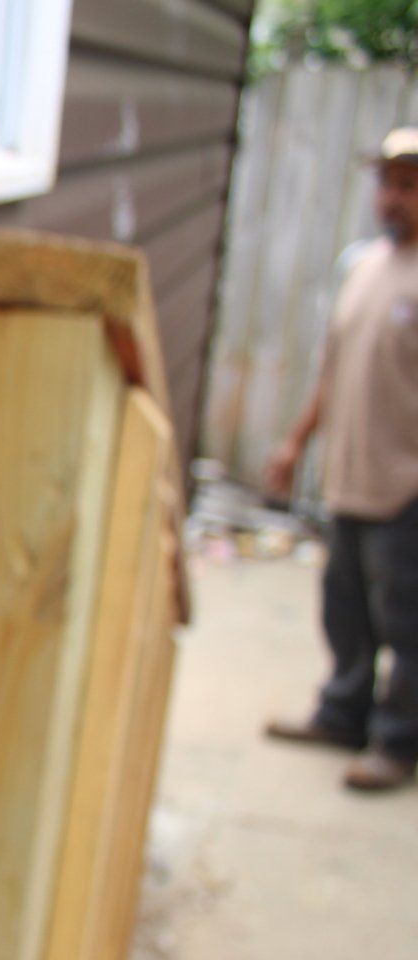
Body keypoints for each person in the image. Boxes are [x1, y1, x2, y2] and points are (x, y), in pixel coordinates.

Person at [263, 126, 418, 793]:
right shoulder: (365, 267)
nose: (394, 198)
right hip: (350, 480)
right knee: (345, 610)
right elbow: (335, 369)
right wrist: (297, 442)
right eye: (387, 183)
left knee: (407, 623)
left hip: (406, 485)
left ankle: (397, 741)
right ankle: (342, 714)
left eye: (409, 186)